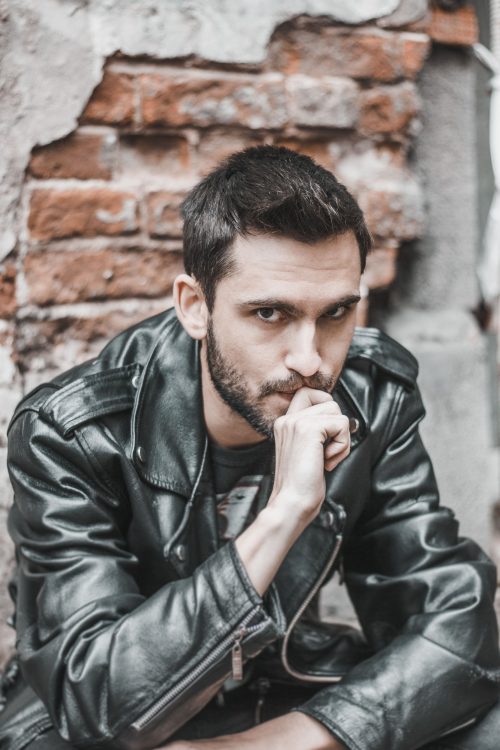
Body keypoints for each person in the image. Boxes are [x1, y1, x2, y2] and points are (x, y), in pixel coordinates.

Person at [0, 145, 499, 750]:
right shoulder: (72, 430)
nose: (310, 360)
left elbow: (458, 631)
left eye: (336, 313)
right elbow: (98, 699)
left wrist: (277, 742)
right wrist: (283, 515)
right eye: (269, 313)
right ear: (195, 307)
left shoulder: (371, 394)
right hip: (120, 715)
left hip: (281, 688)